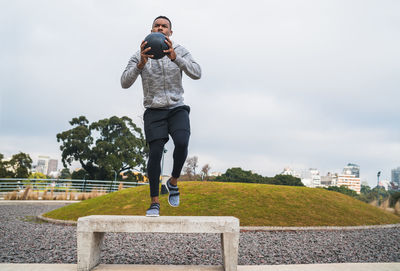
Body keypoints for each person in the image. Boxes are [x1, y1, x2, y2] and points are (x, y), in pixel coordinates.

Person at [121, 16, 201, 217]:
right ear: (151, 30)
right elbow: (124, 82)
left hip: (177, 107)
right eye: (157, 25)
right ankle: (154, 202)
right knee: (155, 153)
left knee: (182, 142)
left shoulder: (180, 50)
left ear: (170, 32)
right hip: (154, 110)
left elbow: (197, 73)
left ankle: (173, 182)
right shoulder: (140, 55)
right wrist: (141, 64)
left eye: (164, 26)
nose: (160, 28)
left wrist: (176, 58)